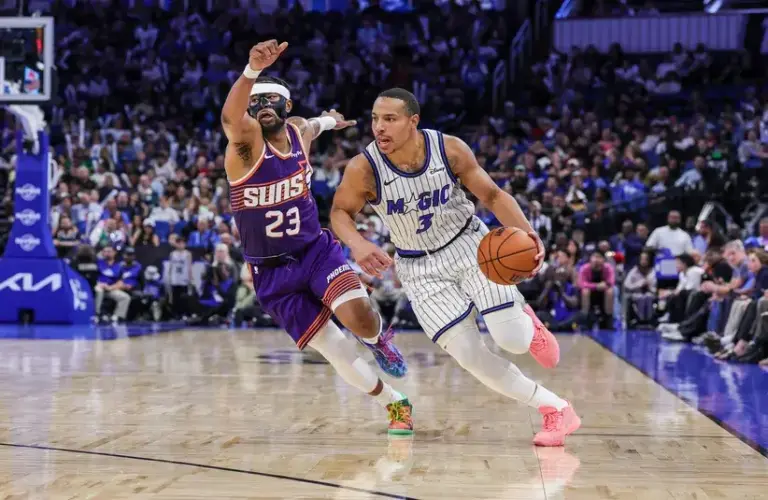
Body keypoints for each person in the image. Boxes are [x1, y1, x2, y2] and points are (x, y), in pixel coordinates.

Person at [330, 88, 580, 447]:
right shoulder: (364, 168)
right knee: (470, 357)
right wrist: (359, 243)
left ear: (413, 121)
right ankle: (556, 409)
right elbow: (340, 213)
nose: (379, 128)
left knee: (512, 340)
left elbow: (492, 195)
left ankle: (528, 323)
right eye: (374, 119)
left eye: (390, 119)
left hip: (472, 247)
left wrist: (529, 233)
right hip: (418, 267)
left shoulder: (448, 149)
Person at [220, 40, 411, 436]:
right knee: (334, 349)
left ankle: (379, 339)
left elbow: (313, 124)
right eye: (256, 101)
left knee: (358, 318)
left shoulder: (299, 131)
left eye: (273, 98)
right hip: (271, 273)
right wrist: (251, 70)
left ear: (287, 106)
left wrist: (330, 120)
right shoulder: (243, 146)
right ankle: (393, 401)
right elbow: (230, 117)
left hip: (314, 251)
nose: (263, 104)